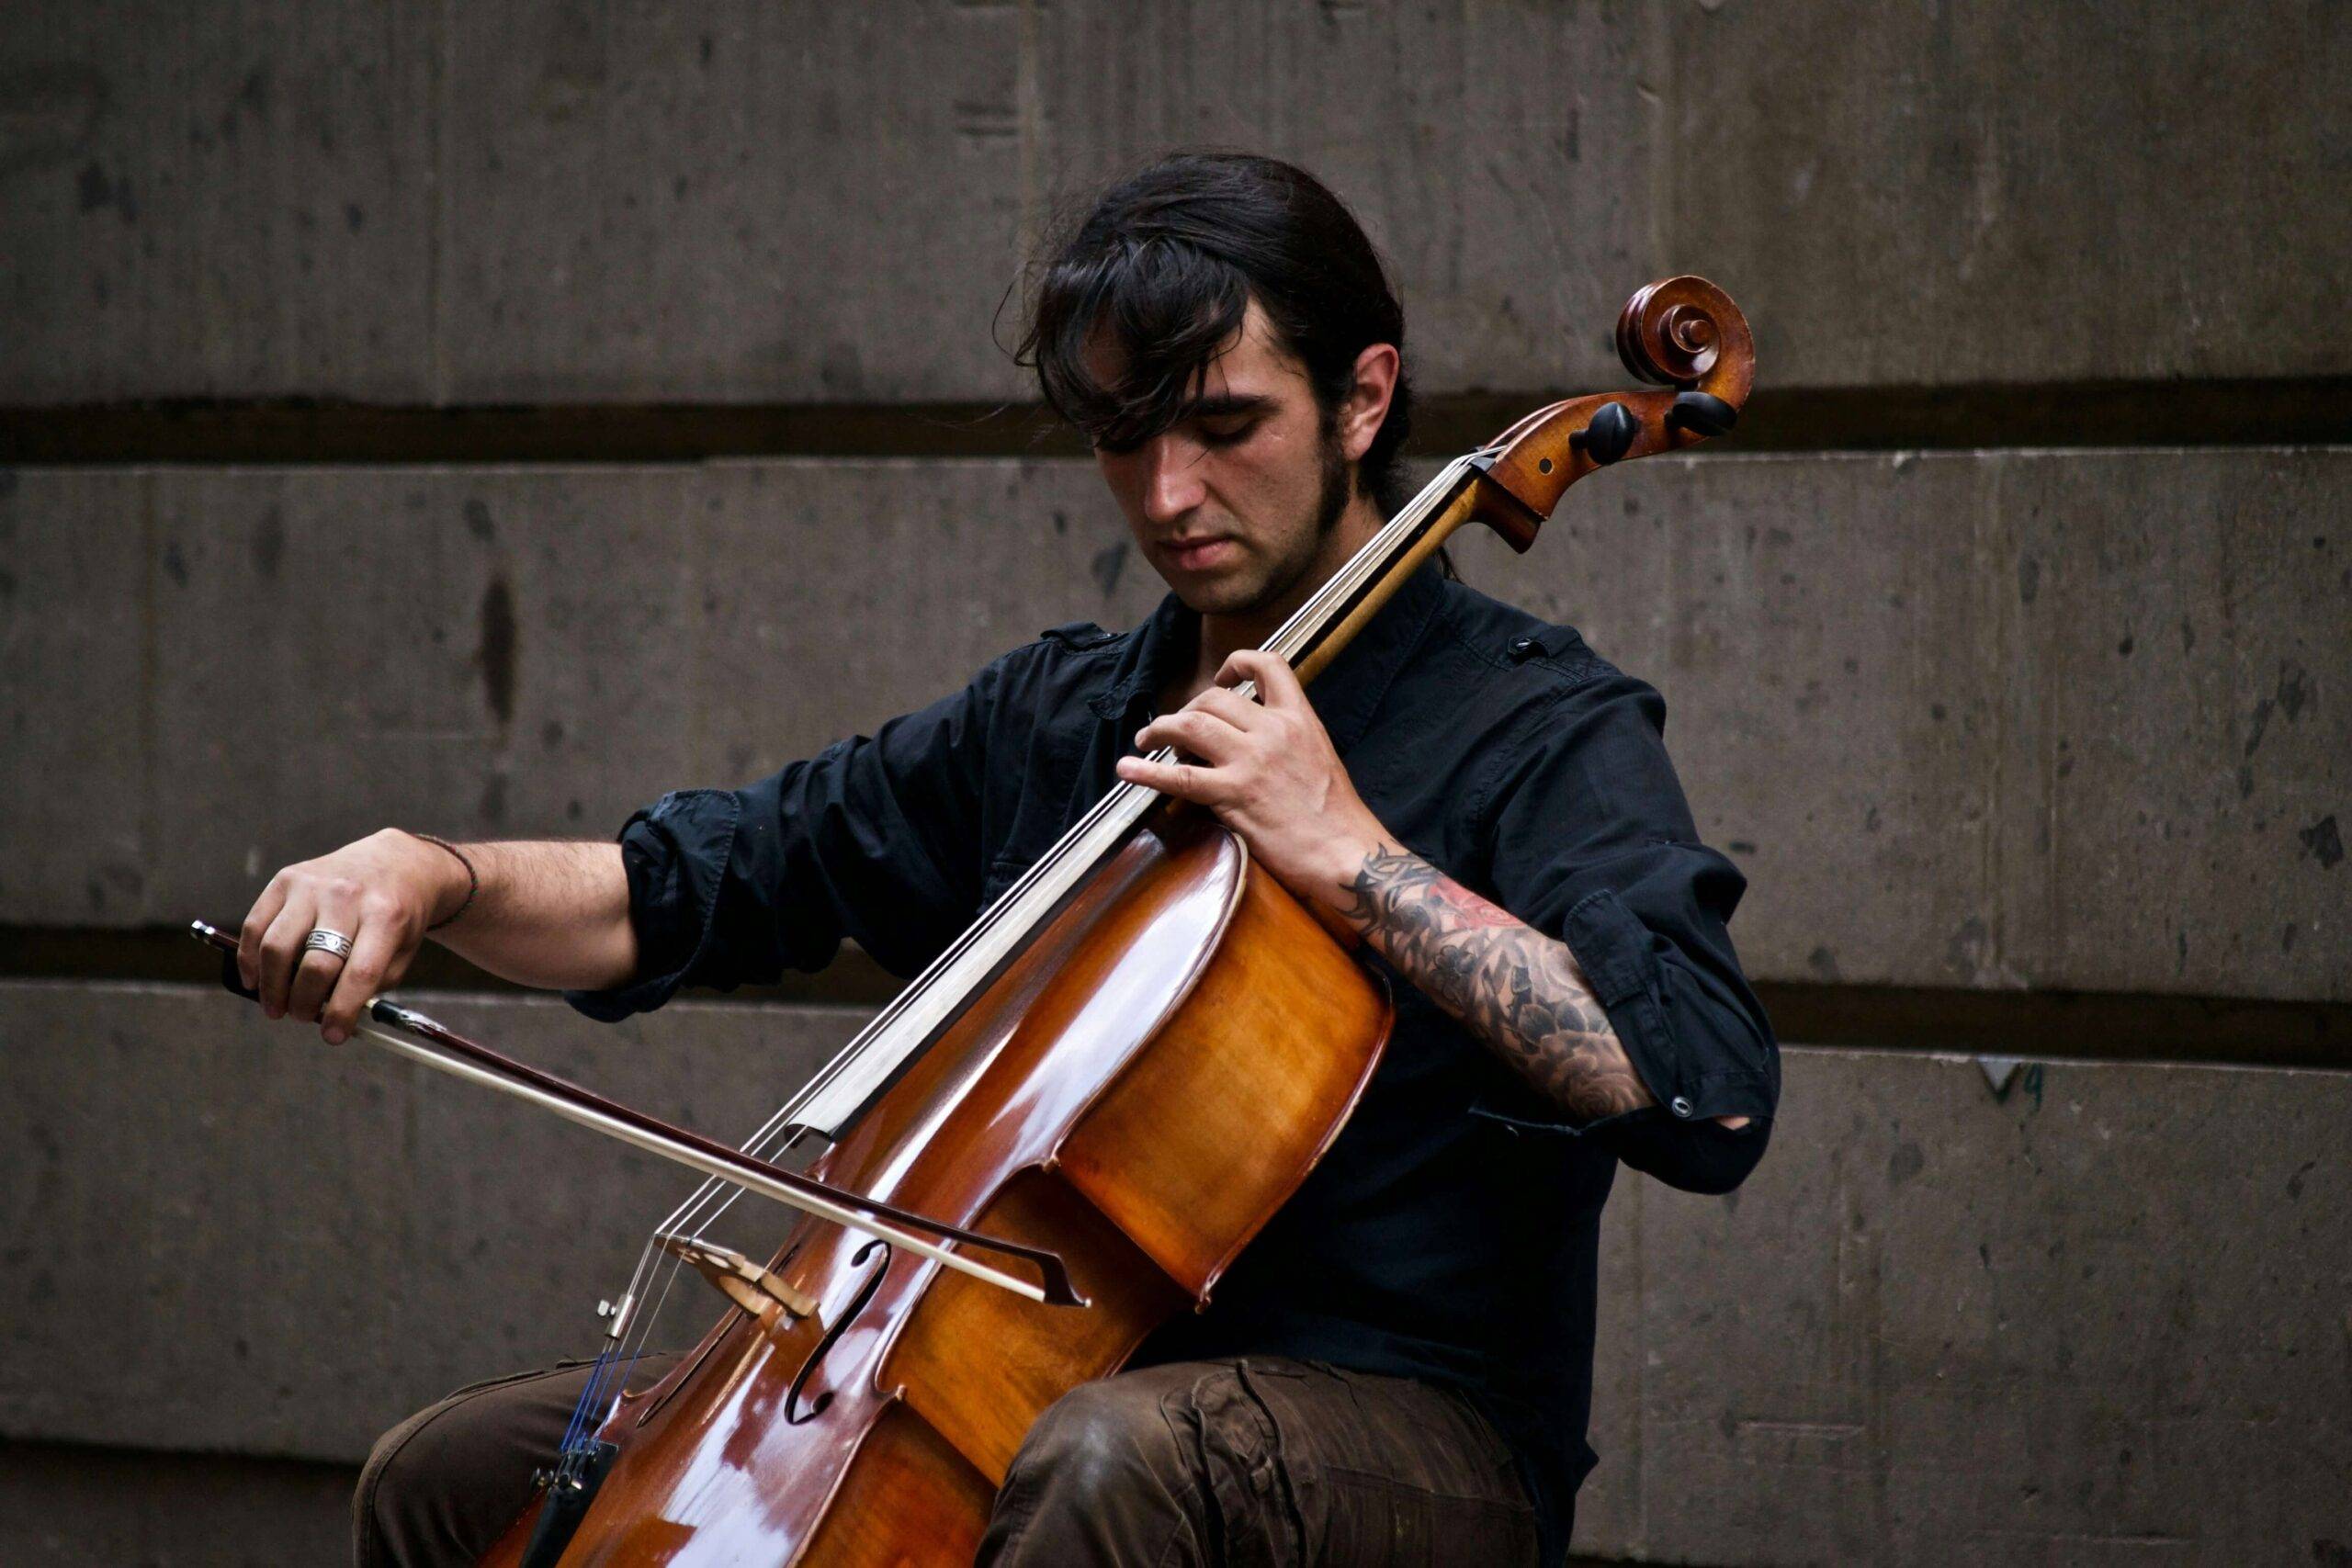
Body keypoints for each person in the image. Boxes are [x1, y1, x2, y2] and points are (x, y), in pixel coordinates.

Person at [240, 152, 1778, 1566]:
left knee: (1105, 1460)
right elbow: (695, 886)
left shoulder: (1536, 724)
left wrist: (1352, 856)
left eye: (1226, 426)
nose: (1169, 495)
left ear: (1363, 399)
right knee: (451, 1481)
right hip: (1016, 1367)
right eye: (1125, 435)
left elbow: (1704, 1089)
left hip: (1407, 1428)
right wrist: (431, 874)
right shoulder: (1067, 718)